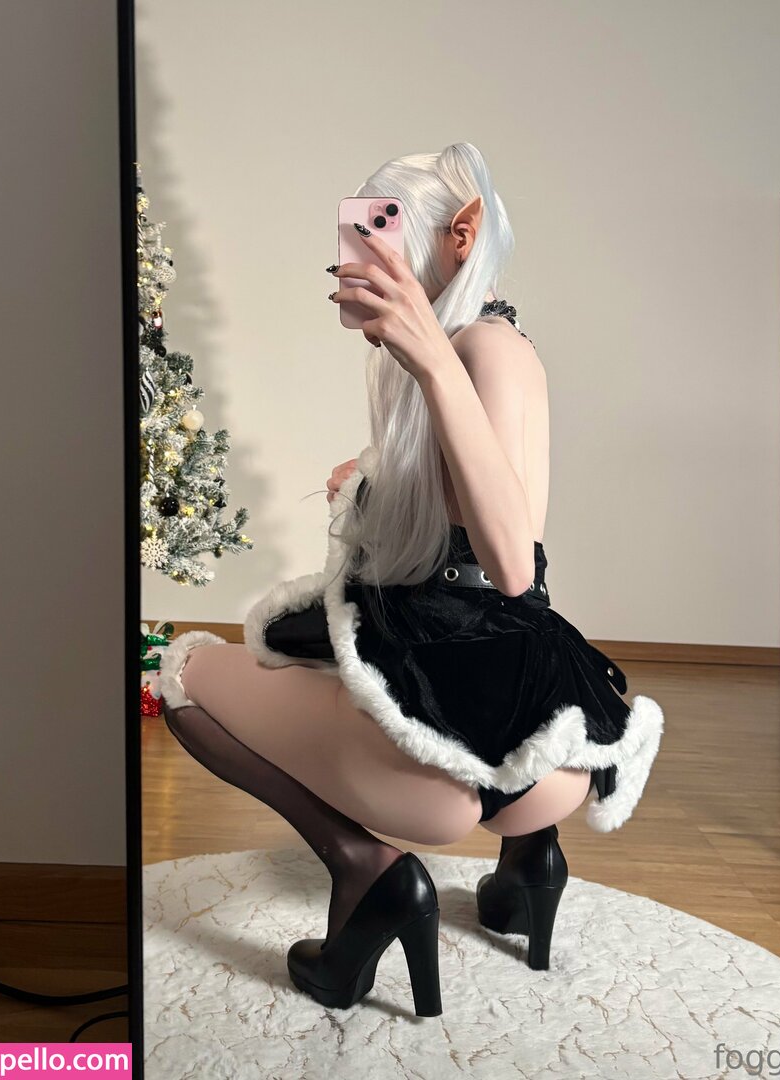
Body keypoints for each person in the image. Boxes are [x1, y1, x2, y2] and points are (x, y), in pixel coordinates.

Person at [159, 142, 664, 1018]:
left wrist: (430, 357)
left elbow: (511, 563)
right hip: (534, 750)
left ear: (461, 235)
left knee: (181, 676)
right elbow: (483, 523)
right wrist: (373, 477)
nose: (356, 260)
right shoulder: (492, 346)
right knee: (320, 634)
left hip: (443, 757)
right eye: (352, 239)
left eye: (380, 234)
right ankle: (527, 866)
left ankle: (367, 870)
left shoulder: (476, 348)